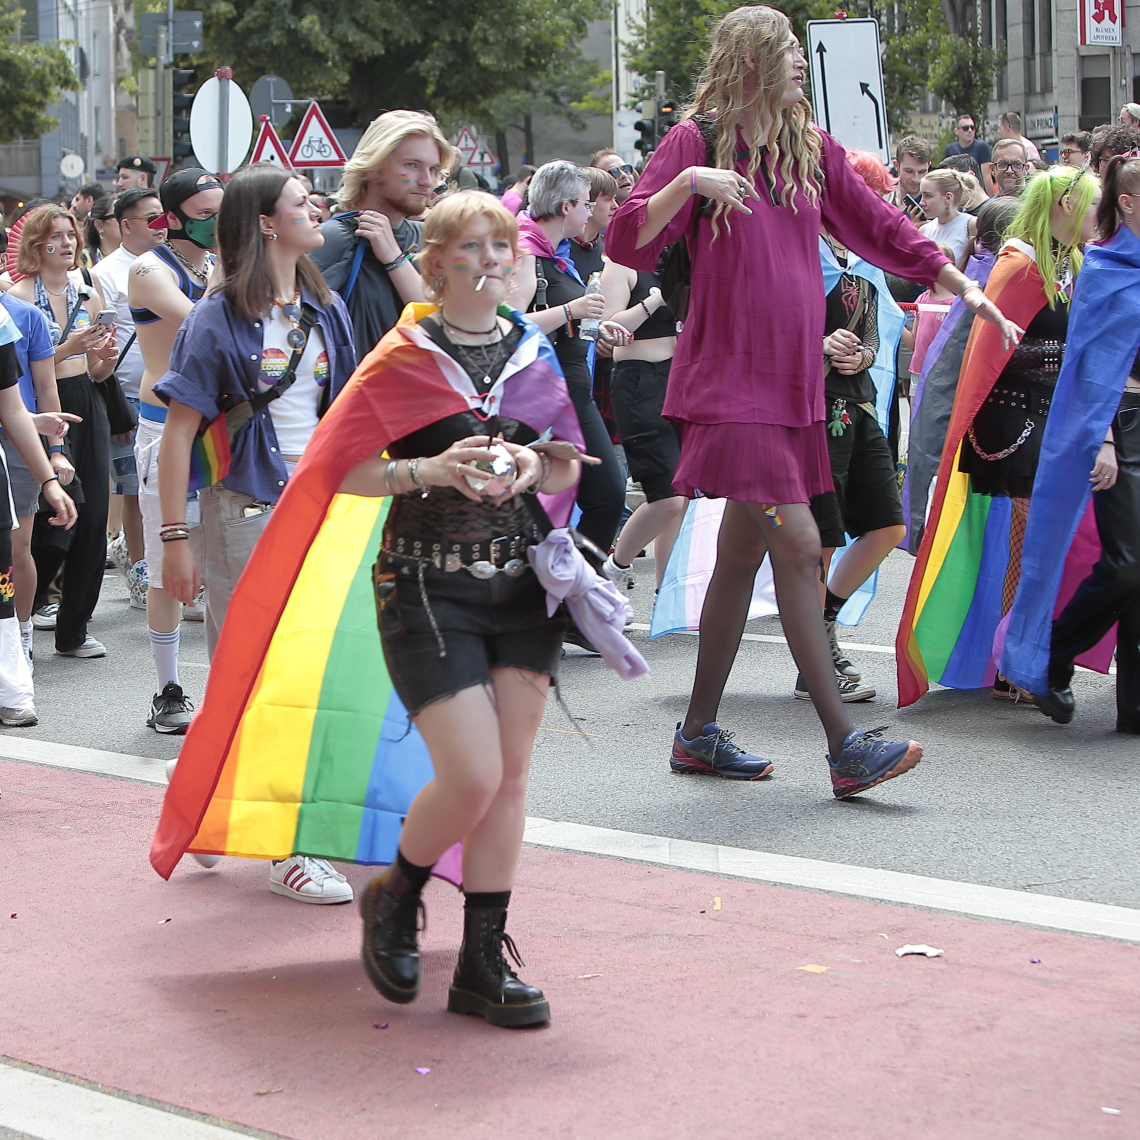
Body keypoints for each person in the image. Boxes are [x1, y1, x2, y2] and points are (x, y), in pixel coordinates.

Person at [606, 4, 1021, 794]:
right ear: (753, 59)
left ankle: (696, 733)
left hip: (791, 382)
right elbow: (627, 239)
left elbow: (881, 229)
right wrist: (691, 182)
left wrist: (966, 283)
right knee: (799, 545)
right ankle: (843, 746)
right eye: (789, 50)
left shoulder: (807, 145)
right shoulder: (698, 141)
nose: (801, 62)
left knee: (741, 558)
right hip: (734, 381)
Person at [340, 192, 596, 1026]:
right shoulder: (403, 353)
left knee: (512, 776)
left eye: (502, 245)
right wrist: (430, 471)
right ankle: (396, 893)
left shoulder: (531, 348)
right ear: (438, 257)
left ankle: (483, 964)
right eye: (472, 247)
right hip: (423, 584)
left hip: (522, 583)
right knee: (474, 773)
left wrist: (529, 464)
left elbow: (568, 467)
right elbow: (339, 471)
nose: (491, 259)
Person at [155, 164, 357, 902]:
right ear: (267, 223)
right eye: (303, 202)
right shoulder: (216, 318)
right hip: (243, 511)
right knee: (262, 673)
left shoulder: (324, 304)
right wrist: (175, 538)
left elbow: (350, 412)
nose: (318, 209)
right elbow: (179, 435)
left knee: (308, 674)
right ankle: (286, 848)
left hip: (322, 508)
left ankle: (209, 799)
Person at [896, 164, 1100, 708]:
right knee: (1035, 535)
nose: (1096, 216)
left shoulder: (1073, 262)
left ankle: (1016, 656)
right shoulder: (1018, 262)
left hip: (1052, 416)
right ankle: (1020, 657)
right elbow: (982, 353)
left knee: (1030, 541)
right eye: (1090, 205)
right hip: (1011, 419)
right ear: (1062, 206)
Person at [1014, 153, 1140, 732]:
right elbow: (1090, 365)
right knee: (1127, 565)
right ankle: (1050, 657)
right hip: (1120, 421)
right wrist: (1106, 439)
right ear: (1128, 204)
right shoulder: (1104, 267)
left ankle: (1133, 705)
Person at [129, 168, 222, 733]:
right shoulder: (148, 268)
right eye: (207, 210)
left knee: (225, 559)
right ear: (175, 214)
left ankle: (227, 688)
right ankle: (167, 690)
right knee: (169, 567)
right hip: (165, 424)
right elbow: (203, 326)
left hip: (218, 425)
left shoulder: (211, 265)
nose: (218, 219)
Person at [8, 205, 118, 659]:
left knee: (93, 521)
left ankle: (74, 628)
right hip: (34, 404)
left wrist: (106, 356)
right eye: (56, 235)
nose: (67, 243)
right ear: (38, 244)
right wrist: (67, 346)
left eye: (71, 234)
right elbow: (20, 371)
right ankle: (25, 615)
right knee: (49, 525)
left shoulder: (86, 293)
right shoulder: (16, 295)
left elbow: (93, 373)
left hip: (85, 402)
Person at [514, 161, 630, 554]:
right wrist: (572, 311)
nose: (589, 211)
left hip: (573, 393)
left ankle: (575, 587)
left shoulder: (555, 252)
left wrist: (598, 328)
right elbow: (509, 326)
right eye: (585, 203)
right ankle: (559, 591)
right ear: (565, 207)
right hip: (543, 399)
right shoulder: (526, 251)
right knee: (547, 504)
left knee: (608, 497)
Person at [310, 110, 456, 361]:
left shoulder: (429, 240)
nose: (426, 181)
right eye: (412, 165)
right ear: (373, 168)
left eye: (433, 169)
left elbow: (448, 329)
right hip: (355, 395)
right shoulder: (332, 239)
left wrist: (395, 259)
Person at [0, 305, 78, 724]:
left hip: (5, 461)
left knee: (6, 566)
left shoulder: (3, 320)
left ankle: (12, 687)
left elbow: (10, 408)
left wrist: (49, 477)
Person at [92, 187, 167, 603]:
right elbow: (103, 344)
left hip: (168, 393)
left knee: (170, 486)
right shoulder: (106, 273)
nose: (160, 224)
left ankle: (148, 557)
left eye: (163, 216)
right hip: (125, 395)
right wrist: (114, 407)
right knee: (133, 489)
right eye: (150, 217)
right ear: (125, 225)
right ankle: (140, 568)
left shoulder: (169, 263)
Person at [599, 244, 684, 590]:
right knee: (667, 497)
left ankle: (669, 589)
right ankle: (613, 568)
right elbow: (610, 325)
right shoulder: (622, 263)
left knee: (680, 496)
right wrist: (655, 300)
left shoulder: (682, 259)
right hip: (639, 382)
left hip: (680, 382)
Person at [919, 169, 973, 262]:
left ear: (948, 197)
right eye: (922, 195)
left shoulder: (970, 225)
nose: (921, 202)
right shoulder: (924, 230)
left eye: (928, 196)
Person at [892, 135, 931, 222]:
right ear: (896, 165)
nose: (916, 179)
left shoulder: (936, 207)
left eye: (922, 172)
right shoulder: (882, 200)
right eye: (909, 171)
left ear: (929, 166)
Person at [81, 196, 120, 268]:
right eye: (118, 216)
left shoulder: (139, 257)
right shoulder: (82, 260)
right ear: (99, 225)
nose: (125, 221)